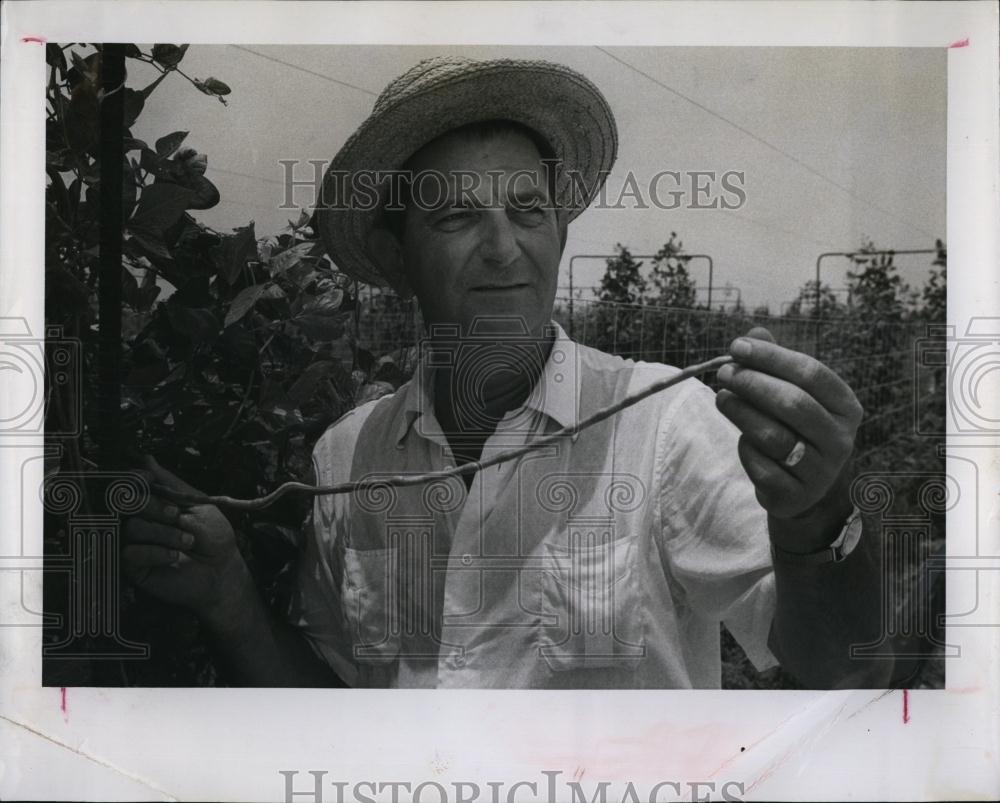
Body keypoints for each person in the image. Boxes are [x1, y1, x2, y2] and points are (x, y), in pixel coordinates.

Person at [124, 56, 893, 688]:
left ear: (559, 231)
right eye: (456, 216)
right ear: (396, 255)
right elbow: (336, 708)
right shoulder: (348, 458)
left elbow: (844, 668)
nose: (503, 248)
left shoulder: (663, 423)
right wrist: (228, 599)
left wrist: (816, 517)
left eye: (528, 210)